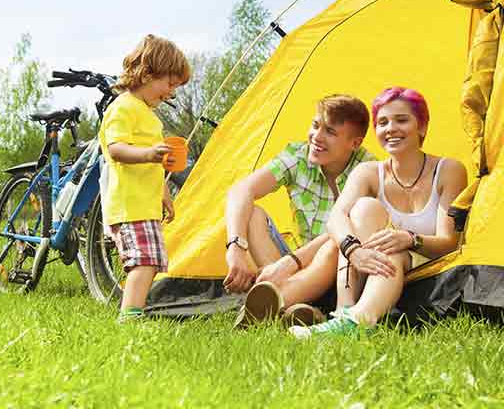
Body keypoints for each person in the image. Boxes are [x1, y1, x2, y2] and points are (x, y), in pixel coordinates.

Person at [289, 87, 467, 338]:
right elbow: (336, 217)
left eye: (401, 120)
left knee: (393, 249)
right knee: (362, 209)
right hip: (374, 268)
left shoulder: (448, 170)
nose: (391, 128)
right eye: (382, 122)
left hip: (428, 270)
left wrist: (410, 239)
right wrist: (355, 250)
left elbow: (449, 243)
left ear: (423, 127)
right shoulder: (369, 172)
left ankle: (356, 322)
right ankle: (345, 310)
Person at [223, 94, 374, 326]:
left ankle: (273, 303)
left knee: (335, 245)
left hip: (344, 273)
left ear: (354, 143)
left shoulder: (366, 170)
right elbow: (241, 190)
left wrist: (290, 261)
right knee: (252, 214)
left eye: (330, 132)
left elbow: (339, 231)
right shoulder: (298, 156)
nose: (317, 137)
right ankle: (299, 310)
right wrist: (236, 246)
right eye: (315, 126)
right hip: (299, 267)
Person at [99, 34, 191, 323]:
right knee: (143, 262)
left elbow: (152, 165)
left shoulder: (148, 115)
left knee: (151, 261)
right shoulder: (123, 108)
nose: (171, 92)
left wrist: (164, 192)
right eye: (169, 83)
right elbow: (116, 149)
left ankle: (134, 312)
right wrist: (150, 153)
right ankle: (129, 316)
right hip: (129, 204)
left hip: (144, 204)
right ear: (148, 72)